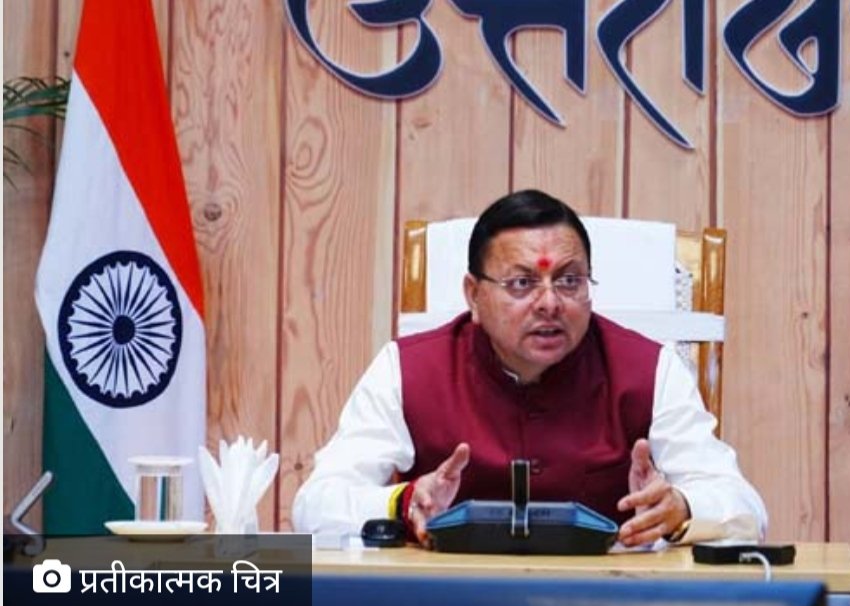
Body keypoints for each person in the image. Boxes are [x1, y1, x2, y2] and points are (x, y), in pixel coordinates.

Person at [293, 189, 767, 547]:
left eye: (569, 281)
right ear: (473, 295)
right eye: (522, 283)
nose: (549, 303)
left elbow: (745, 507)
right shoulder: (406, 369)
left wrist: (682, 507)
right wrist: (402, 502)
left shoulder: (649, 369)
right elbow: (314, 506)